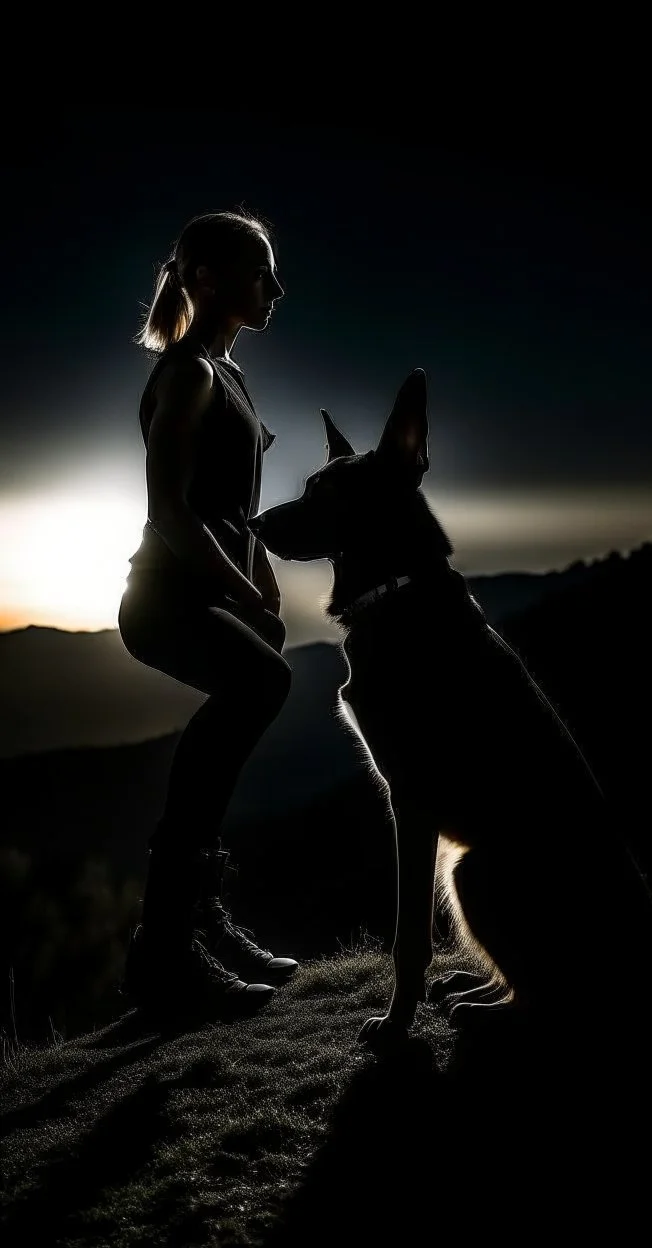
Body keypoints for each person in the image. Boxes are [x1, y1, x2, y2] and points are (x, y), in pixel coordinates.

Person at [117, 209, 298, 1018]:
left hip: (206, 594)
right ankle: (166, 949)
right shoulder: (187, 374)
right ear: (206, 280)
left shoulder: (231, 376)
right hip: (161, 600)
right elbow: (173, 513)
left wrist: (262, 579)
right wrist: (245, 588)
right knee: (261, 686)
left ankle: (195, 922)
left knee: (256, 686)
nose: (276, 288)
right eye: (261, 272)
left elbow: (236, 509)